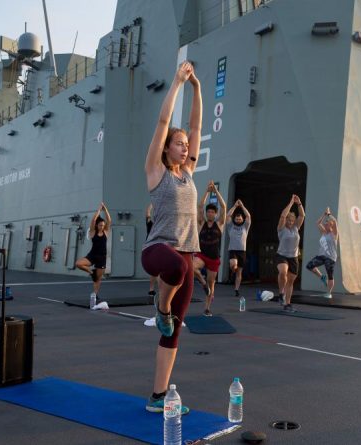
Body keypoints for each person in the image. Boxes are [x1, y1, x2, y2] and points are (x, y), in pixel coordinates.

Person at [141, 61, 201, 414]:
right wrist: (177, 81)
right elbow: (165, 122)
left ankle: (158, 397)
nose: (183, 146)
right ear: (166, 149)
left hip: (185, 258)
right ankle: (161, 306)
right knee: (176, 266)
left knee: (173, 332)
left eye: (184, 144)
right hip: (158, 252)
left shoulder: (188, 173)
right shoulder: (156, 171)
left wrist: (196, 87)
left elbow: (195, 125)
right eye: (177, 144)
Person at [192, 181, 226, 316]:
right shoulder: (201, 223)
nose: (210, 213)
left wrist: (216, 192)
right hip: (202, 255)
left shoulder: (220, 224)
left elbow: (223, 206)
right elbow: (200, 206)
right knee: (192, 267)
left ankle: (207, 308)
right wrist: (207, 191)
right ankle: (202, 281)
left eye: (212, 212)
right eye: (209, 212)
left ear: (215, 214)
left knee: (212, 285)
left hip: (214, 258)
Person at [75, 202, 112, 301]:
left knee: (97, 279)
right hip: (92, 255)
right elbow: (93, 220)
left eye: (103, 225)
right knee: (78, 264)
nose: (102, 227)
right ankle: (91, 272)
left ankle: (95, 294)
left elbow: (109, 220)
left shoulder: (106, 232)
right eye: (100, 225)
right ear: (96, 225)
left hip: (102, 257)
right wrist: (99, 210)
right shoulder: (92, 232)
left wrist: (106, 210)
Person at [276, 194, 305, 312]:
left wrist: (299, 203)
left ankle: (287, 303)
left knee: (291, 281)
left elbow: (302, 215)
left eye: (292, 220)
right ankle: (280, 293)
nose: (291, 222)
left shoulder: (295, 228)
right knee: (283, 272)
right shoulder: (281, 229)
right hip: (282, 255)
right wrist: (291, 203)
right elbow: (283, 215)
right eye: (289, 220)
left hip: (294, 257)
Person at [305, 208, 338, 299]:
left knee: (330, 275)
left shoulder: (334, 234)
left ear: (330, 225)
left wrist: (329, 215)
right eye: (325, 223)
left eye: (327, 223)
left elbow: (335, 221)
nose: (325, 224)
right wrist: (324, 214)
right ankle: (322, 277)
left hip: (330, 257)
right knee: (309, 265)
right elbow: (318, 223)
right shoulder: (324, 233)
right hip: (321, 255)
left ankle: (329, 292)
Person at [226, 199, 251, 298]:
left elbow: (248, 216)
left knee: (239, 271)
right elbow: (228, 216)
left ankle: (236, 289)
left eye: (240, 219)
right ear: (234, 220)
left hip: (242, 251)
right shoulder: (230, 226)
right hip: (233, 250)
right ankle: (232, 270)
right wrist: (235, 206)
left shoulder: (245, 227)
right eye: (236, 219)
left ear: (242, 220)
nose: (238, 220)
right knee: (234, 265)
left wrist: (242, 206)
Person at [145, 203, 157, 298]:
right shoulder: (150, 224)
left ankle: (155, 289)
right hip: (150, 248)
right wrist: (152, 204)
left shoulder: (162, 227)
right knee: (154, 271)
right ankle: (151, 289)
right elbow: (148, 214)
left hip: (159, 248)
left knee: (159, 271)